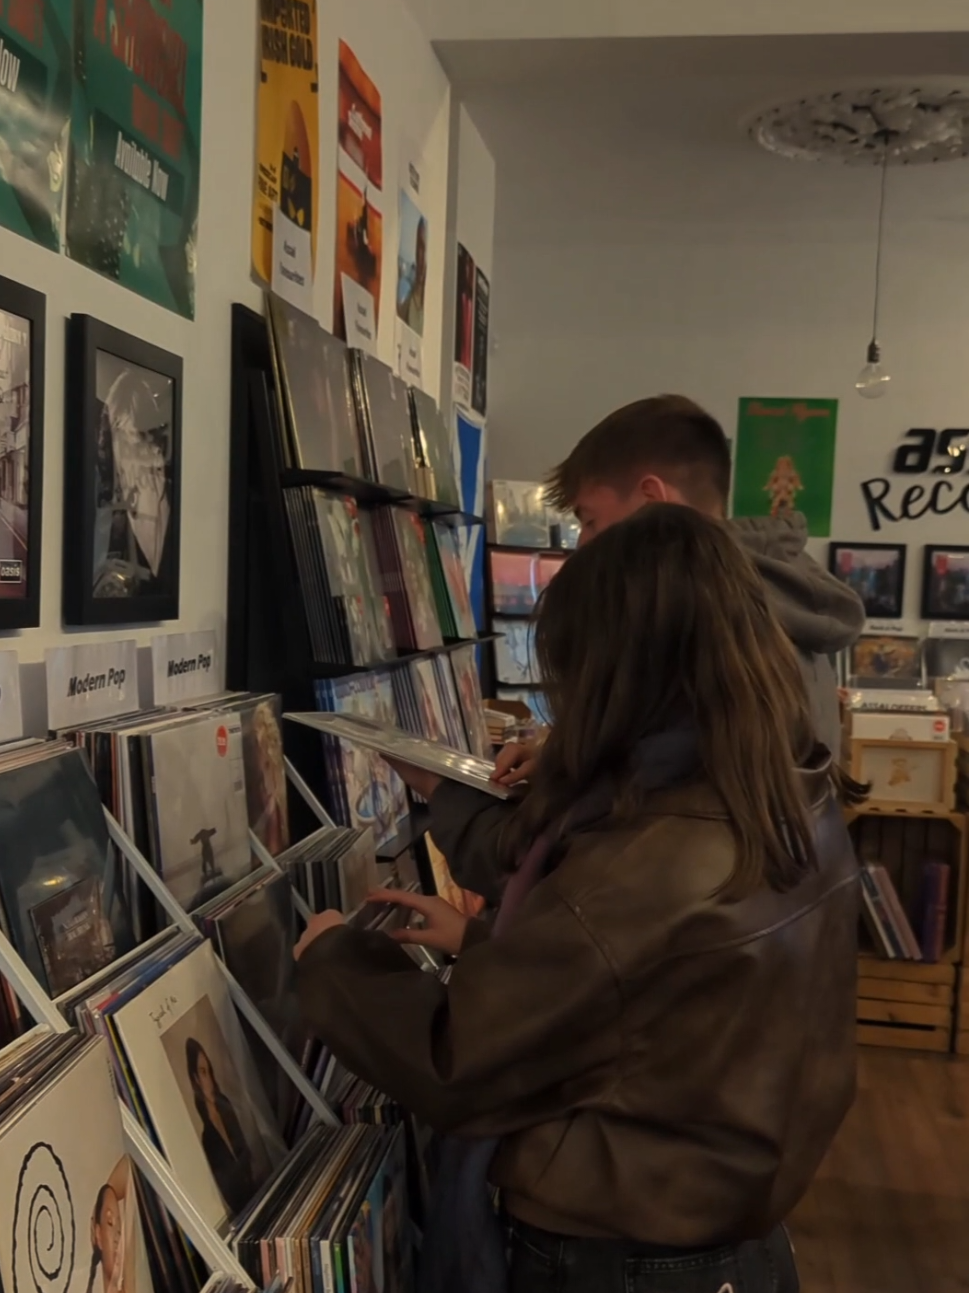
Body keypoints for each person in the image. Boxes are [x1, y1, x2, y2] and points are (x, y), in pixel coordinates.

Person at [294, 504, 861, 1293]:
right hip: (737, 1246)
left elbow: (458, 1060)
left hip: (624, 1260)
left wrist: (331, 958)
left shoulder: (654, 861)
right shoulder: (789, 790)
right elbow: (673, 1003)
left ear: (622, 676)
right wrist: (493, 946)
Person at [432, 395, 865, 903]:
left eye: (590, 520)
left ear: (654, 503)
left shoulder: (705, 620)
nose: (584, 546)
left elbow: (617, 852)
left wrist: (446, 793)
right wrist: (567, 752)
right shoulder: (778, 606)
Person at [185, 1037, 256, 1216]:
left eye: (209, 1070)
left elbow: (246, 1151)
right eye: (202, 1072)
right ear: (195, 1079)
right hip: (242, 1211)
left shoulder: (226, 1109)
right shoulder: (207, 1138)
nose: (209, 1079)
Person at [86, 1158, 136, 1293]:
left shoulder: (129, 1283)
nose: (117, 1237)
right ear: (98, 1235)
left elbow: (129, 1169)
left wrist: (106, 1192)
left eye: (120, 1229)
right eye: (110, 1223)